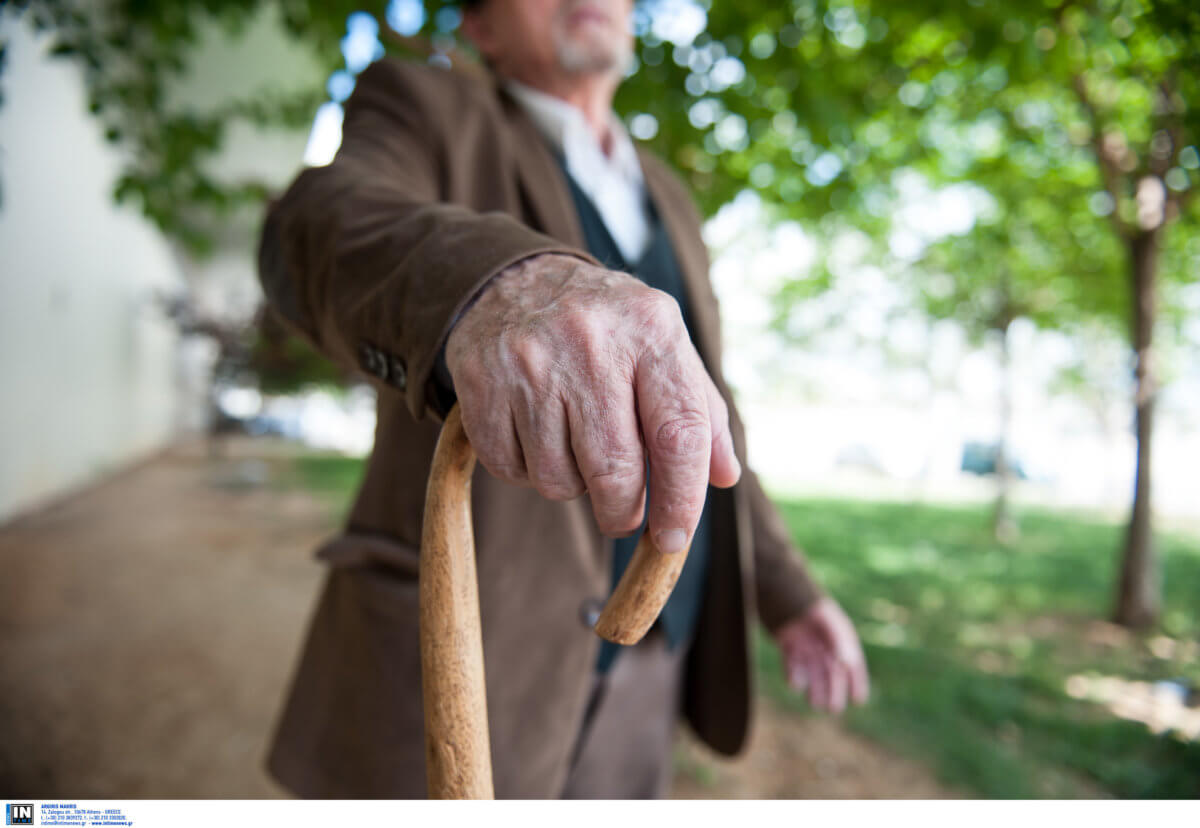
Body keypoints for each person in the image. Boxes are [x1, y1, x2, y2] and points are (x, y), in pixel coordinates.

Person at [257, 0, 869, 799]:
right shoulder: (425, 105)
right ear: (481, 27)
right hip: (470, 667)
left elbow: (704, 414)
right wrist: (496, 284)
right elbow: (315, 223)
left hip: (648, 672)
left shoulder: (671, 194)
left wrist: (790, 593)